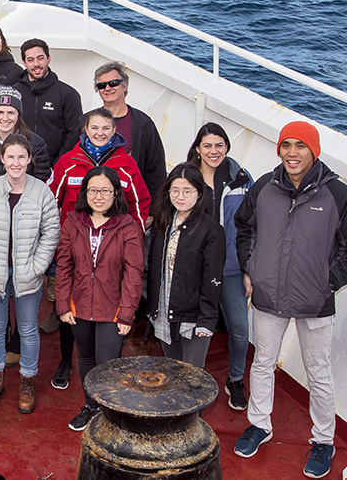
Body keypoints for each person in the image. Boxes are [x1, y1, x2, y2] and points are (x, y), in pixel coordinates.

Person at [232, 122, 346, 479]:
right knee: (263, 362)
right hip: (267, 295)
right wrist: (251, 268)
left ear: (315, 151)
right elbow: (243, 226)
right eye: (286, 145)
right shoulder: (265, 186)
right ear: (279, 149)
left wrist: (329, 281)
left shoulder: (337, 194)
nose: (292, 153)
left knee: (319, 373)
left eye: (300, 146)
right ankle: (259, 425)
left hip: (315, 299)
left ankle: (324, 440)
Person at [43, 107, 151, 387]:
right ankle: (66, 362)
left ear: (115, 131)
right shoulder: (67, 162)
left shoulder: (126, 164)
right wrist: (58, 246)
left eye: (106, 128)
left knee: (107, 310)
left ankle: (102, 384)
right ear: (85, 130)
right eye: (94, 127)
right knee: (69, 308)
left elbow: (140, 205)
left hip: (111, 252)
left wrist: (130, 245)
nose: (100, 133)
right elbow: (51, 203)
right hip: (71, 248)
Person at [0, 135, 59, 413]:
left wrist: (37, 267)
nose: (16, 163)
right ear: (2, 159)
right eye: (11, 157)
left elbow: (51, 232)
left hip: (27, 276)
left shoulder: (42, 192)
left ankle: (27, 380)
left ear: (29, 159)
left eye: (22, 157)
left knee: (29, 329)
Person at [55, 166, 143, 432]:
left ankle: (108, 412)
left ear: (116, 193)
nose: (99, 196)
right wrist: (61, 304)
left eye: (106, 190)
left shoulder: (127, 226)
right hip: (79, 305)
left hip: (112, 309)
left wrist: (127, 312)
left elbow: (134, 271)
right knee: (85, 358)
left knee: (106, 364)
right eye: (93, 190)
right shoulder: (73, 222)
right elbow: (64, 265)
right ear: (85, 192)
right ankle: (91, 406)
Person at [186, 122, 253, 410]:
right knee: (188, 326)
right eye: (207, 145)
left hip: (231, 268)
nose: (213, 151)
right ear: (198, 148)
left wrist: (249, 269)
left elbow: (252, 226)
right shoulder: (186, 177)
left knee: (240, 329)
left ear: (226, 147)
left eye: (219, 145)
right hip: (194, 267)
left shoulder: (241, 179)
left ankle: (235, 379)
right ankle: (188, 379)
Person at [145, 163, 224, 369]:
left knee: (192, 377)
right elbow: (153, 269)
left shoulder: (211, 230)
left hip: (194, 317)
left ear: (199, 193)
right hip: (164, 310)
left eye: (187, 191)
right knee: (173, 372)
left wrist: (207, 320)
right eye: (175, 190)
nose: (180, 196)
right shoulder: (162, 223)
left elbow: (212, 279)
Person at [92, 61, 166, 197]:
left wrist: (151, 210)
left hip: (130, 202)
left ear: (124, 86)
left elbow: (156, 170)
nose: (107, 88)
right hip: (93, 202)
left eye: (113, 83)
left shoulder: (143, 124)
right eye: (102, 85)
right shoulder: (86, 121)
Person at [9, 39, 83, 163]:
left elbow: (74, 133)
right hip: (19, 165)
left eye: (40, 58)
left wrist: (58, 164)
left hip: (54, 166)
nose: (36, 64)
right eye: (30, 60)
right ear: (24, 63)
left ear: (48, 59)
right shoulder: (14, 93)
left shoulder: (68, 94)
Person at [0, 88, 51, 186]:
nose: (5, 118)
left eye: (11, 113)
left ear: (18, 115)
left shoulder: (36, 143)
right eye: (0, 112)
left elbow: (41, 182)